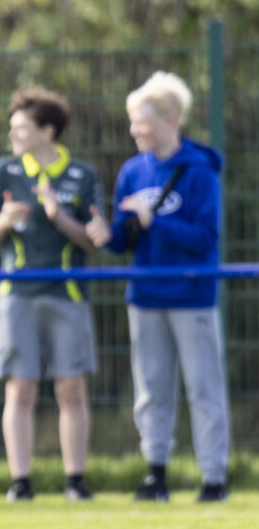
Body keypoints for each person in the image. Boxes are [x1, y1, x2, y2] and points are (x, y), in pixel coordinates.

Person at [87, 70, 230, 503]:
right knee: (151, 388)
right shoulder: (133, 171)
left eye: (142, 121)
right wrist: (103, 234)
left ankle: (214, 478)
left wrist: (156, 222)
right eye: (133, 121)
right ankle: (156, 473)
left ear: (171, 120)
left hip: (192, 297)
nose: (134, 130)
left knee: (204, 388)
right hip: (145, 296)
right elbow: (124, 239)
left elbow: (206, 238)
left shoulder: (200, 173)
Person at [0, 87, 106, 502]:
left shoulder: (82, 175)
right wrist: (4, 221)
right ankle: (21, 482)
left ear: (48, 130)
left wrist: (58, 215)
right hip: (16, 295)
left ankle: (75, 480)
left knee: (71, 388)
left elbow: (94, 241)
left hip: (67, 295)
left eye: (21, 128)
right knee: (20, 387)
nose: (13, 134)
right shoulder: (3, 171)